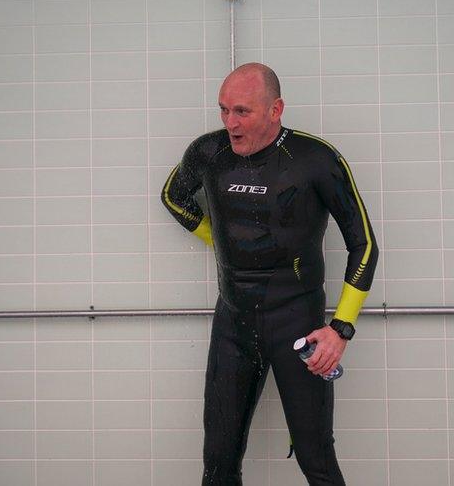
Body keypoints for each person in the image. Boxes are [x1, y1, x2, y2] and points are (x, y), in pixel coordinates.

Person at [160, 63, 378, 485]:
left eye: (242, 111)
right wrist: (220, 241)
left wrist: (341, 329)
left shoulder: (315, 159)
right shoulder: (208, 152)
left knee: (316, 460)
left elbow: (363, 243)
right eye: (223, 110)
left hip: (297, 323)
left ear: (275, 109)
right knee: (219, 462)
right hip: (233, 325)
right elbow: (173, 196)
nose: (230, 124)